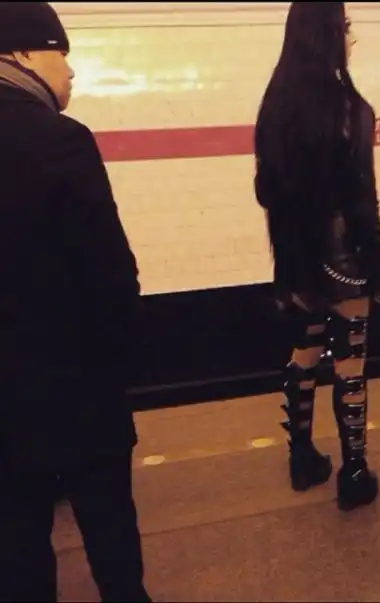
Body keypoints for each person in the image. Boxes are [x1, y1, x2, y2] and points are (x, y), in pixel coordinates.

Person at [0, 3, 151, 601]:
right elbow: (109, 269)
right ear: (21, 53)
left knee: (17, 539)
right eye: (60, 53)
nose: (70, 70)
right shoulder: (60, 140)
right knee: (109, 524)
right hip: (78, 378)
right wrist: (125, 359)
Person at [253, 1, 380, 511]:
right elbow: (362, 201)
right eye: (346, 27)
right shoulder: (350, 109)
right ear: (328, 34)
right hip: (346, 260)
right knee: (351, 361)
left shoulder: (275, 106)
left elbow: (265, 192)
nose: (351, 37)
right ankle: (353, 474)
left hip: (298, 259)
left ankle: (302, 458)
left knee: (307, 349)